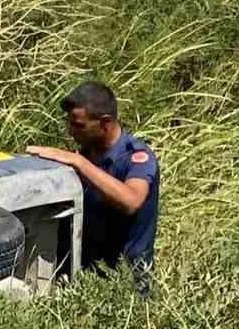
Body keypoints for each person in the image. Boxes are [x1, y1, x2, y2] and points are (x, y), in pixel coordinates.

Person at [27, 80, 159, 291]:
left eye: (79, 126)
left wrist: (79, 163)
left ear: (105, 123)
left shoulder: (136, 157)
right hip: (86, 274)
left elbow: (131, 201)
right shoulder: (88, 151)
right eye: (70, 123)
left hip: (125, 281)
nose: (71, 132)